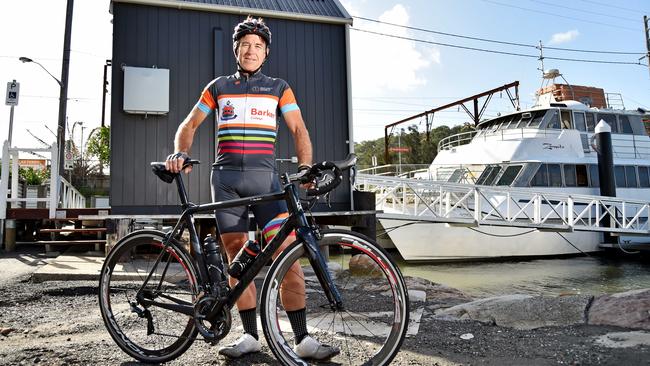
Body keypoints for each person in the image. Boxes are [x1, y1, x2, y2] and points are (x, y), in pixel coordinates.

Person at [165, 16, 339, 361]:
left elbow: (299, 130)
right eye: (245, 44)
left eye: (258, 46)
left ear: (266, 52)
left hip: (267, 182)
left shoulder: (278, 87)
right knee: (236, 258)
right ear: (236, 49)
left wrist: (305, 168)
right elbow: (190, 124)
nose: (251, 50)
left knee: (287, 255)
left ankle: (302, 339)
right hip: (226, 182)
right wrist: (181, 152)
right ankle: (249, 335)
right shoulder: (217, 87)